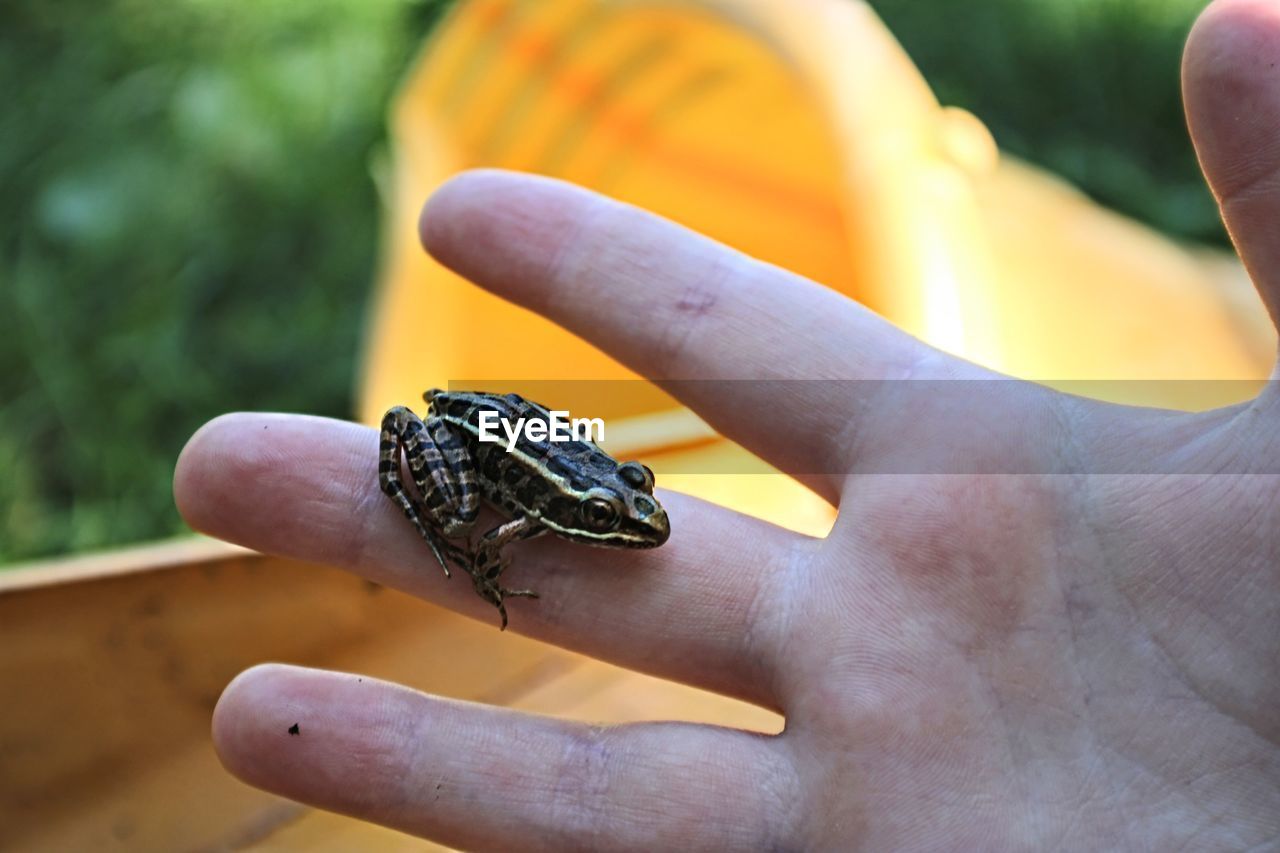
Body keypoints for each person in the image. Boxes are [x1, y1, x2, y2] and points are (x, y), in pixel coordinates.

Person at [174, 1, 1280, 847]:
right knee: (461, 524)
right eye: (620, 522)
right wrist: (487, 556)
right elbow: (521, 514)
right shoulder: (553, 514)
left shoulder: (603, 503)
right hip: (475, 446)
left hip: (513, 432)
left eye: (624, 515)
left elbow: (598, 491)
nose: (636, 528)